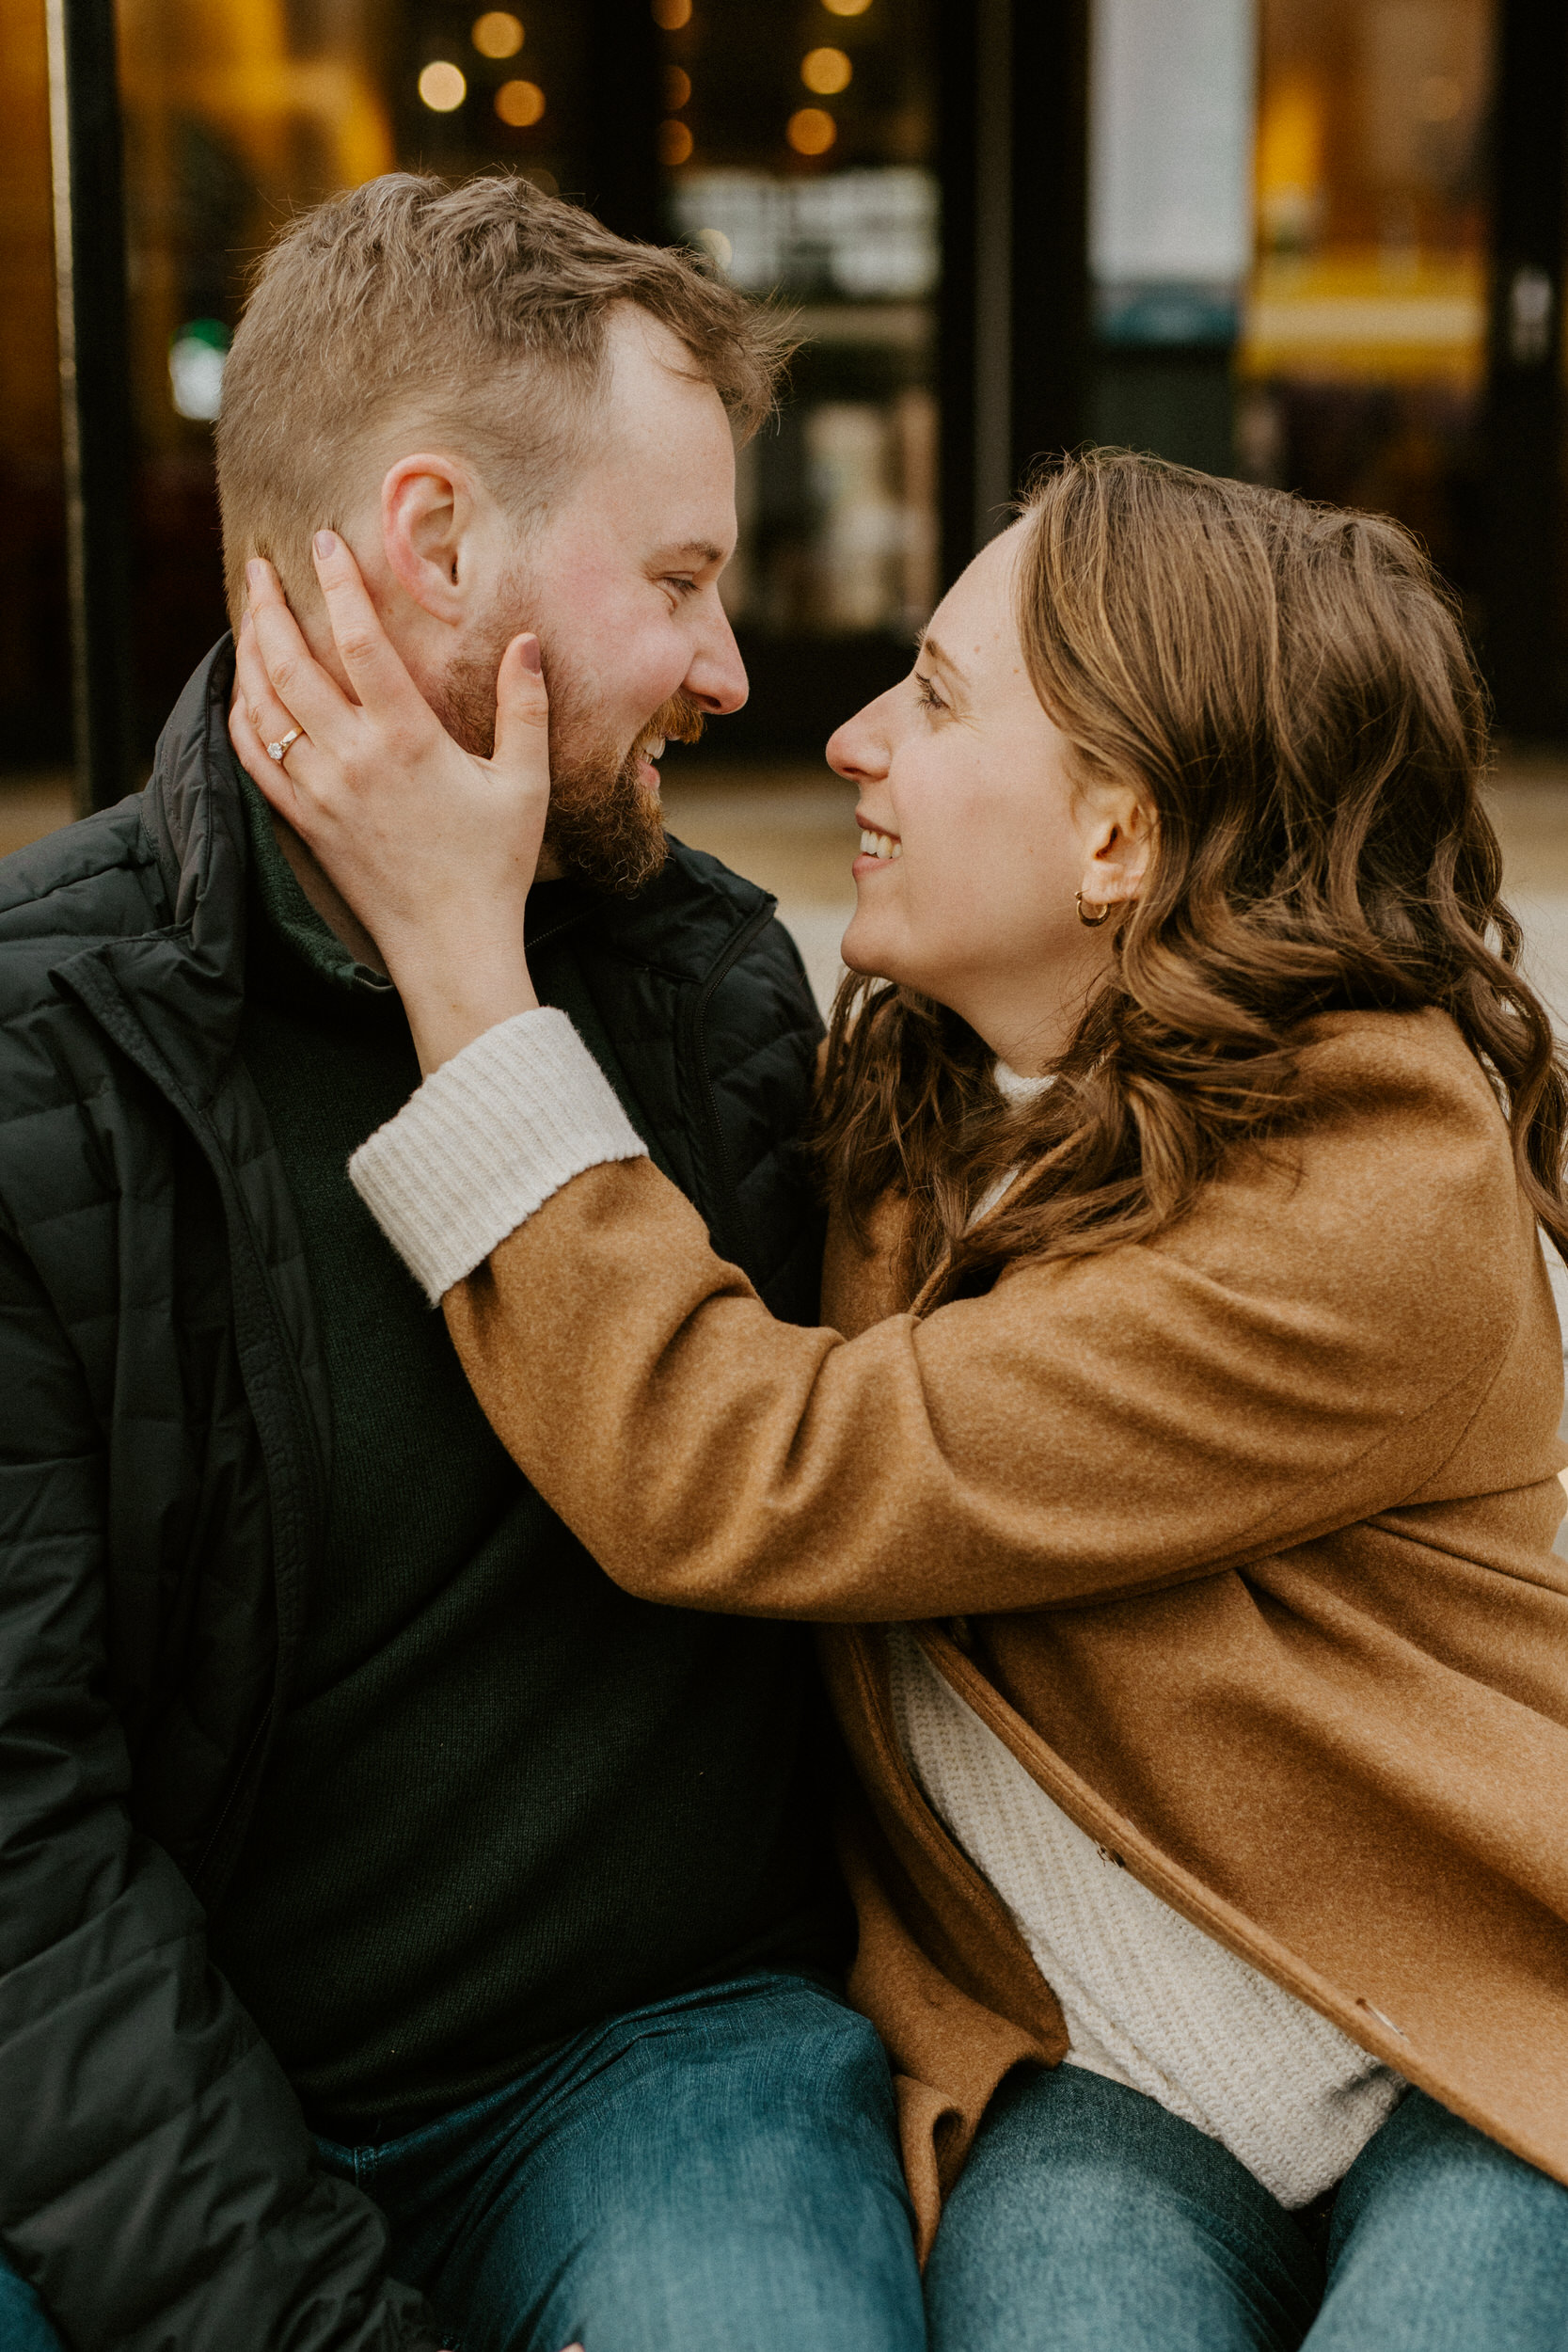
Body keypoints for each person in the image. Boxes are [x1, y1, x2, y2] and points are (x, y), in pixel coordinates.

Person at [235, 447, 1568, 2352]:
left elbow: (744, 1463)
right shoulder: (926, 1105)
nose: (850, 737)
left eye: (934, 697)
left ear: (1114, 835)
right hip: (1089, 2060)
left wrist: (461, 955)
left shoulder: (1374, 1199)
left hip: (1476, 2014)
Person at [0, 175, 927, 2352]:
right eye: (681, 579)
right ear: (434, 543)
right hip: (168, 2071)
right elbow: (19, 1852)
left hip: (656, 2054)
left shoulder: (706, 979)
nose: (730, 665)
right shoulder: (40, 1056)